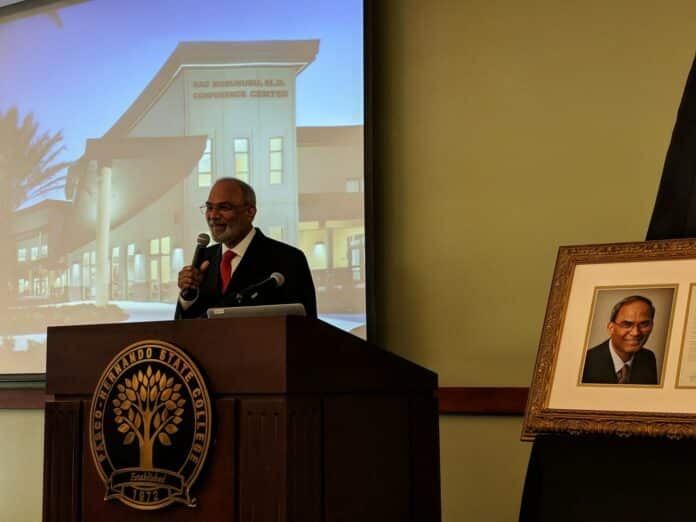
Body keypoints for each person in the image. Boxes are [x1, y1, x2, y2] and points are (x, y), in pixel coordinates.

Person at [175, 177, 317, 319]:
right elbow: (185, 327)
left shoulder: (288, 259)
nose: (213, 215)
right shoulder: (204, 260)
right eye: (210, 207)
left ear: (250, 212)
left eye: (224, 207)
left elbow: (306, 326)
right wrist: (188, 296)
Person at [581, 295, 658, 385]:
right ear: (611, 328)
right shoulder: (586, 362)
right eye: (627, 324)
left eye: (644, 324)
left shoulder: (648, 358)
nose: (636, 332)